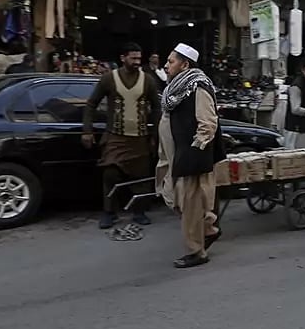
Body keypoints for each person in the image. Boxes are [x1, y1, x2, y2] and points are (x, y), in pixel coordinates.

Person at [155, 43, 223, 269]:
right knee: (177, 201)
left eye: (171, 61)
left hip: (189, 159)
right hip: (175, 158)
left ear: (185, 65)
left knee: (190, 206)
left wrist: (193, 152)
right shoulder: (175, 89)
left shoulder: (198, 87)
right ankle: (209, 229)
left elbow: (207, 124)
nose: (166, 65)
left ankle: (197, 252)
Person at [83, 43, 161, 229]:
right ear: (123, 58)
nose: (136, 62)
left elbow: (157, 107)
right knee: (110, 174)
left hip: (140, 138)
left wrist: (155, 134)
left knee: (140, 177)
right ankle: (109, 213)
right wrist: (87, 131)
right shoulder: (109, 79)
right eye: (132, 58)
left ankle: (139, 212)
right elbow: (91, 104)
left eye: (138, 59)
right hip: (115, 137)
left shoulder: (148, 80)